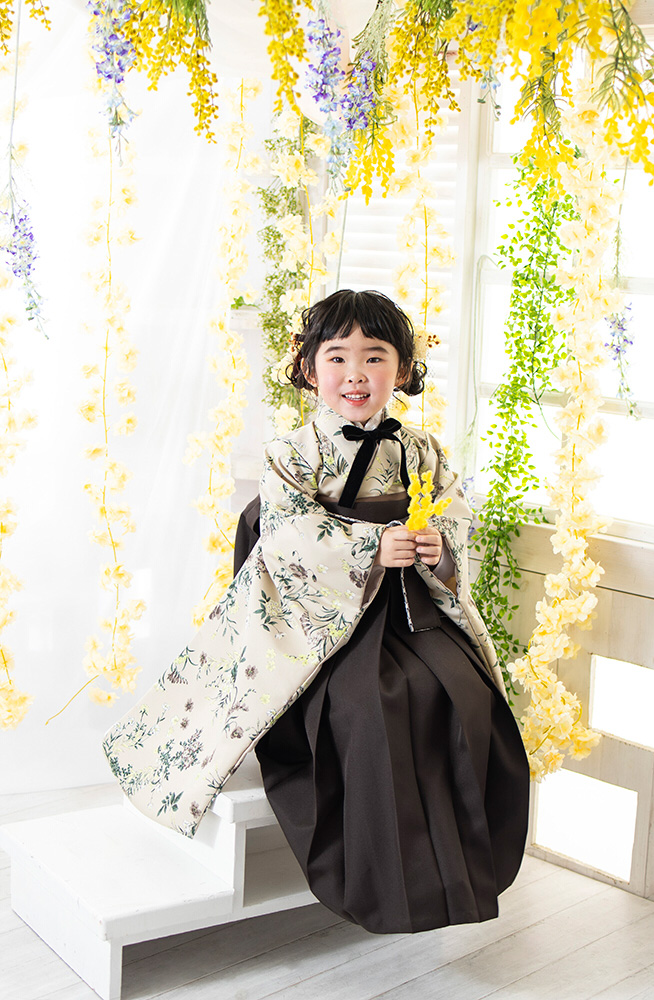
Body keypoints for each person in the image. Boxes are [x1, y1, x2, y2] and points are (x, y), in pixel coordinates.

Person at [102, 288, 529, 936]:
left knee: (466, 692)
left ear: (403, 369)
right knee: (372, 705)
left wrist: (438, 545)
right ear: (308, 368)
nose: (356, 374)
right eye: (338, 357)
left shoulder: (423, 449)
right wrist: (369, 546)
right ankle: (384, 882)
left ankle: (457, 873)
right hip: (324, 620)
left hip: (410, 607)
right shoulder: (291, 453)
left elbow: (454, 514)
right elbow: (287, 536)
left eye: (375, 356)